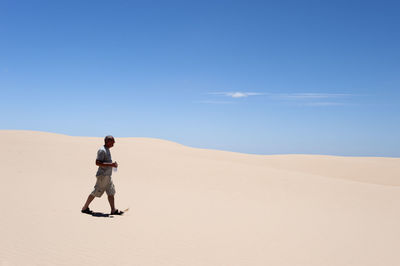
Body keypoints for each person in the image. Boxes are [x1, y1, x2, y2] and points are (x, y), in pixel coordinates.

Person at [81, 135, 123, 215]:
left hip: (108, 177)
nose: (114, 142)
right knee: (96, 191)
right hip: (102, 176)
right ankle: (85, 207)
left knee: (111, 192)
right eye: (112, 141)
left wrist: (113, 165)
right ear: (107, 141)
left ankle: (113, 210)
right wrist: (111, 165)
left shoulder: (107, 149)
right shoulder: (102, 150)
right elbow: (97, 163)